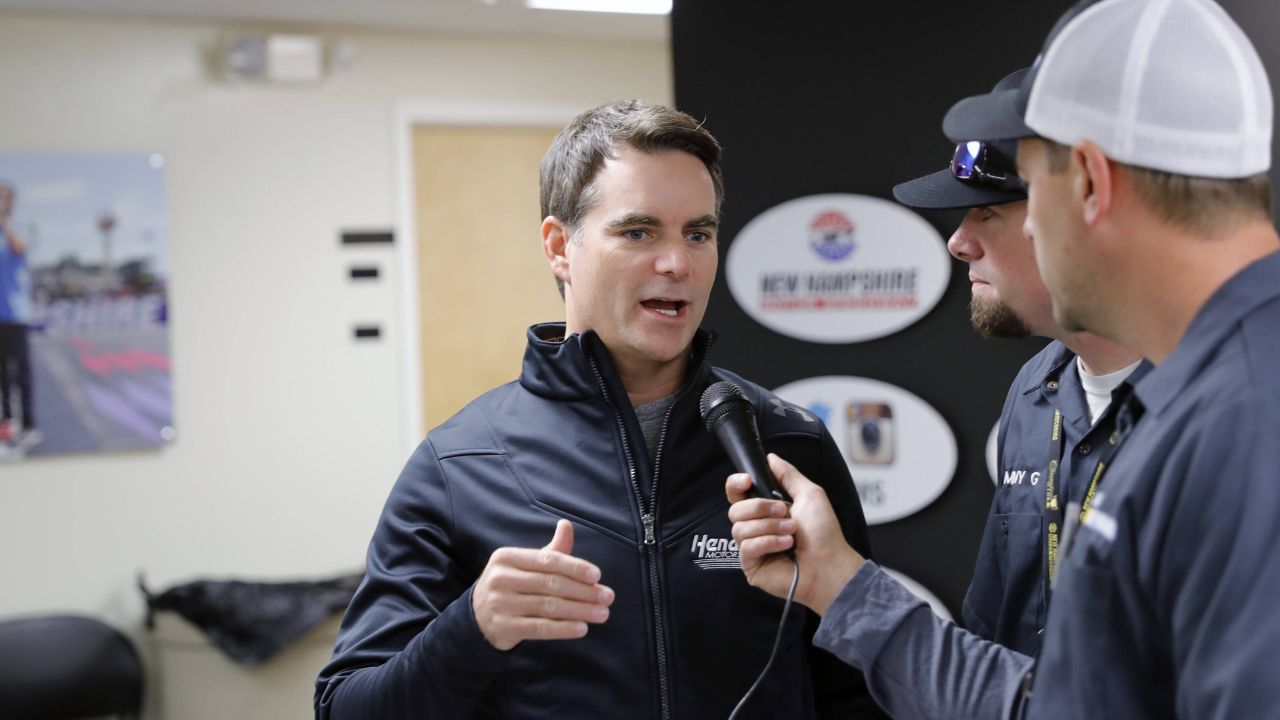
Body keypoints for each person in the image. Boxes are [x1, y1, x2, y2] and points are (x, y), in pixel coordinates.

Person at [728, 0, 1280, 717]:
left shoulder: (1248, 421)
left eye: (1016, 192)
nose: (958, 241)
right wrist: (838, 579)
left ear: (1088, 182)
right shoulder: (1206, 390)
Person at [316, 100, 885, 719]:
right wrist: (470, 629)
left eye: (698, 233)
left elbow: (860, 690)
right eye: (638, 231)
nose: (677, 263)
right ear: (560, 247)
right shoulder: (458, 465)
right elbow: (345, 709)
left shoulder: (788, 445)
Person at [894, 68, 1146, 657]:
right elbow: (993, 624)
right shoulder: (1036, 388)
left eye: (987, 212)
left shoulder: (1233, 399)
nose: (958, 241)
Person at [0, 180, 38, 450]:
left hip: (15, 314)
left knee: (21, 373)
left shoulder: (18, 228)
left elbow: (19, 248)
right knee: (2, 374)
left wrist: (5, 221)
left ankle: (30, 425)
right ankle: (8, 422)